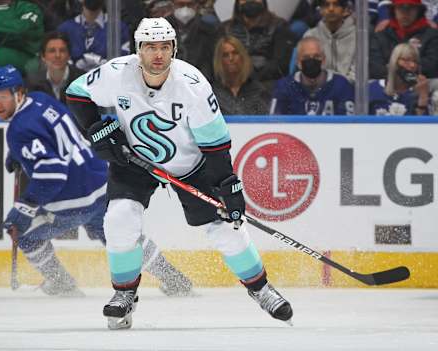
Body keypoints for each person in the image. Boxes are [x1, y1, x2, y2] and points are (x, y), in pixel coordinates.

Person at [66, 17, 293, 329]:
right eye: (150, 47)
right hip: (135, 160)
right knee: (119, 218)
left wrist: (227, 187)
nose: (157, 54)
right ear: (138, 50)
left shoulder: (193, 86)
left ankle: (260, 288)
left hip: (192, 165)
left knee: (227, 227)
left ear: (174, 48)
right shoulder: (117, 73)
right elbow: (76, 94)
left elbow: (214, 147)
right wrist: (97, 130)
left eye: (164, 47)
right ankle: (124, 295)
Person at [0, 64, 193, 297]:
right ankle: (173, 278)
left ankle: (61, 283)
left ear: (18, 93)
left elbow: (52, 175)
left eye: (2, 96)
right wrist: (19, 154)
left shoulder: (18, 129)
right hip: (100, 182)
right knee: (122, 237)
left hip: (73, 200)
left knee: (25, 236)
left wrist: (23, 210)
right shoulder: (41, 99)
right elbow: (51, 135)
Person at [220, 0, 296, 89]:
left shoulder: (279, 26)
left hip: (267, 83)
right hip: (232, 82)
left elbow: (279, 63)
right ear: (238, 2)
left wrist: (252, 78)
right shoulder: (226, 28)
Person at [270, 36, 355, 115]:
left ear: (324, 60)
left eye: (316, 56)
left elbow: (350, 124)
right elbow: (275, 123)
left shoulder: (341, 85)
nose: (311, 61)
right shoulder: (285, 86)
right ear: (298, 62)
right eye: (306, 57)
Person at [369, 0, 438, 79]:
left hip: (422, 83)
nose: (405, 13)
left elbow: (433, 66)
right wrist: (407, 68)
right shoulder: (380, 35)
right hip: (389, 83)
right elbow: (375, 69)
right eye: (400, 7)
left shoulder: (432, 34)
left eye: (410, 8)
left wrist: (398, 66)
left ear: (419, 11)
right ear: (393, 10)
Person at [57, 0, 130, 71]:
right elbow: (61, 61)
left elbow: (123, 62)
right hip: (74, 81)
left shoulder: (118, 28)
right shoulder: (65, 29)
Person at [212, 35, 270, 115]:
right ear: (219, 60)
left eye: (235, 53)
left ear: (242, 57)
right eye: (225, 55)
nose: (231, 58)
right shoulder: (213, 93)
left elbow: (265, 122)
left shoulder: (258, 91)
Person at [369, 43, 430, 115]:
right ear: (394, 62)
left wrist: (423, 98)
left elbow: (422, 124)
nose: (412, 65)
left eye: (415, 61)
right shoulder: (372, 89)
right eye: (406, 60)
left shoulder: (418, 92)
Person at [165, 0, 219, 82]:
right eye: (180, 4)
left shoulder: (210, 30)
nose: (185, 9)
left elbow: (211, 64)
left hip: (200, 82)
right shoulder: (162, 27)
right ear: (173, 5)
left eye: (190, 4)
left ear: (197, 5)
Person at [25, 31, 85, 104]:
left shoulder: (83, 81)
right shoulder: (32, 82)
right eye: (52, 51)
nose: (57, 55)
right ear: (43, 57)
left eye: (62, 50)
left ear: (69, 56)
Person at [303, 0, 356, 82]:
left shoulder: (358, 36)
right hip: (318, 90)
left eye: (336, 4)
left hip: (349, 90)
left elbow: (356, 75)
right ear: (320, 10)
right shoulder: (310, 36)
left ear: (345, 10)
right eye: (326, 5)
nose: (331, 9)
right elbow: (307, 72)